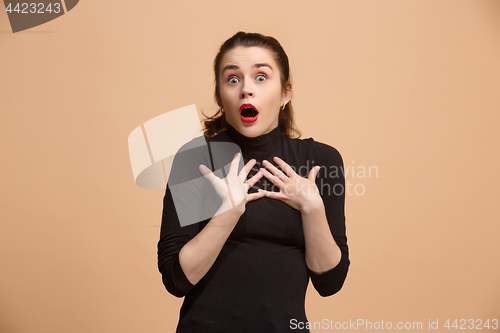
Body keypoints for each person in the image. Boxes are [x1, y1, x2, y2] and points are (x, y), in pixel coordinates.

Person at [157, 31, 349, 332]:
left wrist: (313, 208)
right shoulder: (195, 159)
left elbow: (330, 282)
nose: (246, 89)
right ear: (220, 95)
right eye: (233, 79)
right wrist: (228, 212)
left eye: (261, 77)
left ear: (285, 92)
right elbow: (175, 279)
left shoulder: (320, 160)